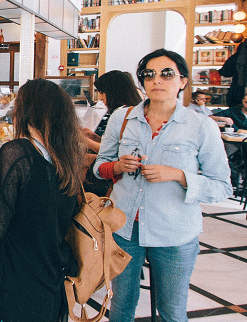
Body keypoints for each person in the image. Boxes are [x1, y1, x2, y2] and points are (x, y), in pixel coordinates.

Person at [94, 49, 232, 322]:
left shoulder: (201, 126)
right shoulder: (122, 118)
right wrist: (118, 167)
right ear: (142, 82)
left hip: (174, 234)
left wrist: (179, 175)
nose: (157, 80)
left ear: (182, 81)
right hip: (124, 229)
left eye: (167, 74)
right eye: (149, 74)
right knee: (121, 305)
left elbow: (222, 187)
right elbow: (100, 168)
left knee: (171, 310)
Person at [0, 79, 83, 322]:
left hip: (16, 283)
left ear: (27, 111)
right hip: (50, 278)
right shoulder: (66, 157)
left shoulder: (17, 152)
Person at [219, 38, 247, 107]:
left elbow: (226, 72)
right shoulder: (243, 54)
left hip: (237, 85)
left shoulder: (236, 56)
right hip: (241, 84)